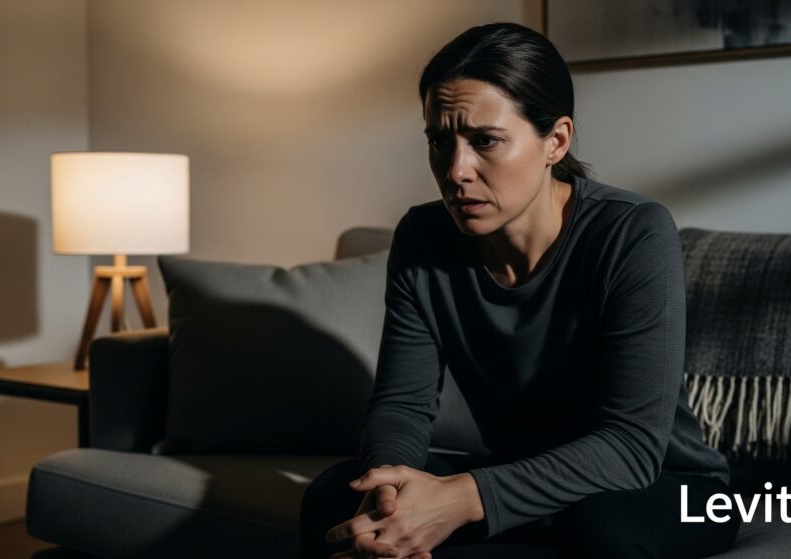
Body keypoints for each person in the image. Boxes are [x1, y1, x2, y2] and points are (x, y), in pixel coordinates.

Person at [299, 22, 739, 559]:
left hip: (663, 485)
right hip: (521, 475)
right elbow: (401, 405)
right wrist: (391, 495)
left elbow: (632, 446)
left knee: (607, 529)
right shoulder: (422, 237)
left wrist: (463, 499)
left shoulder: (633, 233)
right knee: (337, 503)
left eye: (485, 141)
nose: (456, 170)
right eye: (440, 141)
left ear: (555, 141)